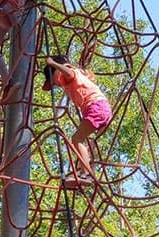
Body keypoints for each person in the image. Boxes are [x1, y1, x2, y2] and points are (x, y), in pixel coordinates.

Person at [43, 53, 112, 183]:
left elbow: (69, 73)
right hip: (101, 108)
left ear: (57, 71)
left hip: (96, 107)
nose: (56, 85)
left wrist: (53, 64)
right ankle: (85, 172)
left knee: (76, 139)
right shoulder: (76, 77)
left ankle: (85, 174)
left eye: (53, 80)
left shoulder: (68, 74)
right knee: (87, 144)